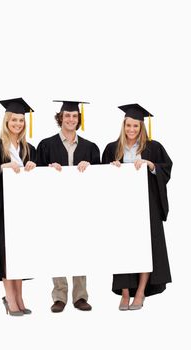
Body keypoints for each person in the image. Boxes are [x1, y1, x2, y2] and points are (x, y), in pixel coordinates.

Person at [102, 103, 172, 311]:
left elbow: (166, 169)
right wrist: (111, 169)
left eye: (136, 126)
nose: (131, 130)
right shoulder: (112, 148)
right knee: (122, 249)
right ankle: (125, 293)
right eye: (128, 126)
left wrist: (151, 166)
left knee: (145, 247)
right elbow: (102, 179)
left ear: (142, 128)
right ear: (123, 126)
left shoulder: (154, 147)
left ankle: (140, 292)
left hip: (146, 206)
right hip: (120, 209)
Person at [37, 100, 100, 312]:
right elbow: (36, 176)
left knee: (81, 247)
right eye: (67, 116)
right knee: (57, 247)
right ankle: (59, 296)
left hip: (83, 208)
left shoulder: (91, 148)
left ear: (78, 119)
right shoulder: (45, 145)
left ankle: (80, 296)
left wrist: (90, 167)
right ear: (60, 118)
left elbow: (101, 180)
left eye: (74, 116)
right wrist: (47, 169)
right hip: (54, 207)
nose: (71, 119)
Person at [0, 98, 37, 316]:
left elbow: (38, 179)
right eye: (14, 120)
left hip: (24, 213)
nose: (18, 124)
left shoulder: (29, 149)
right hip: (2, 213)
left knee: (21, 254)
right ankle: (10, 299)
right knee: (6, 255)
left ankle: (20, 297)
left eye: (21, 120)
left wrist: (32, 165)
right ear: (6, 121)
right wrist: (2, 167)